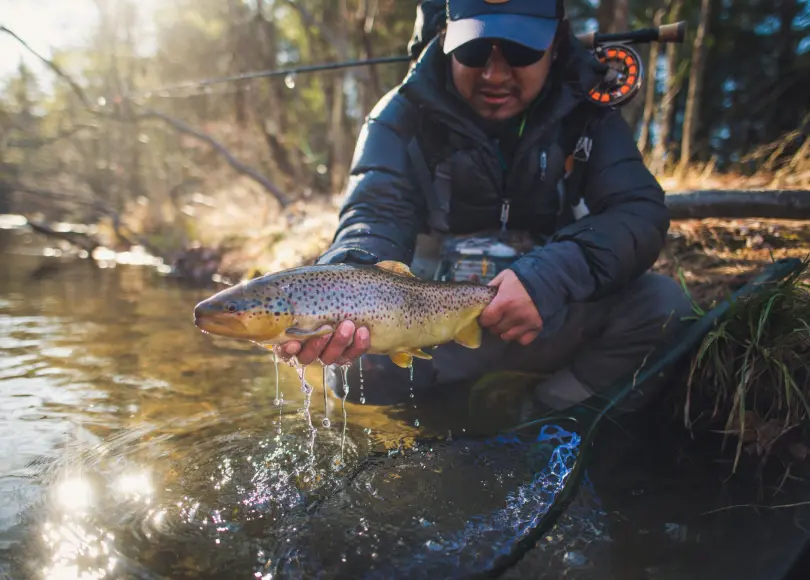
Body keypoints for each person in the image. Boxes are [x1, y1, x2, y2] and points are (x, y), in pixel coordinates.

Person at [277, 0, 694, 414]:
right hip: (432, 325)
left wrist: (550, 277)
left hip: (555, 315)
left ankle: (554, 414)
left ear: (556, 43)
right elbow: (373, 215)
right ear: (444, 39)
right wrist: (347, 274)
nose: (495, 75)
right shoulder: (398, 116)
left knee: (662, 308)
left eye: (521, 52)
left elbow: (638, 212)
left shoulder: (589, 112)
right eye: (473, 52)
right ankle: (428, 424)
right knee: (353, 368)